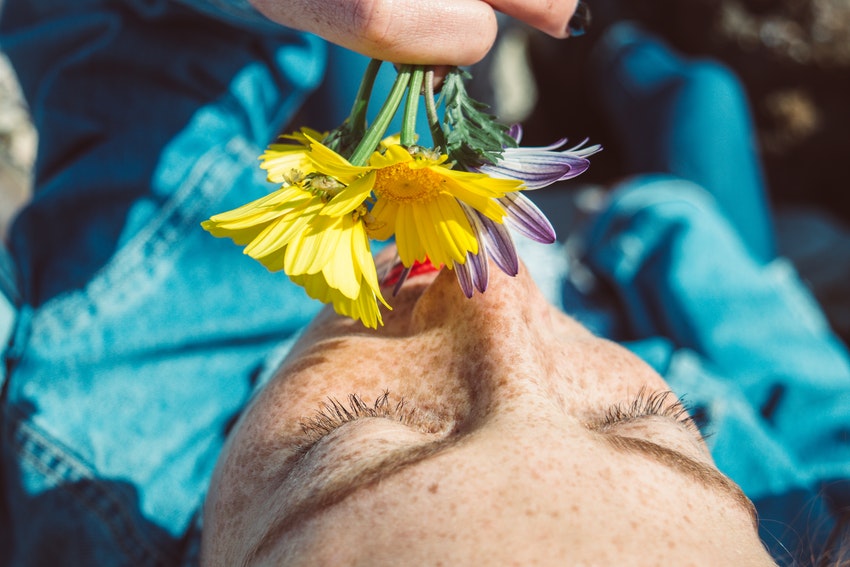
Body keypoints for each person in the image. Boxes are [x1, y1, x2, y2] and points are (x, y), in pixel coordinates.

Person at [0, 1, 846, 566]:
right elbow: (763, 332)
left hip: (500, 209)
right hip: (630, 252)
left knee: (373, 45)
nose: (495, 287)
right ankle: (610, 42)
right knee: (703, 95)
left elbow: (109, 34)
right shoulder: (819, 494)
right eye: (652, 426)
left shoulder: (107, 368)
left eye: (351, 437)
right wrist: (648, 223)